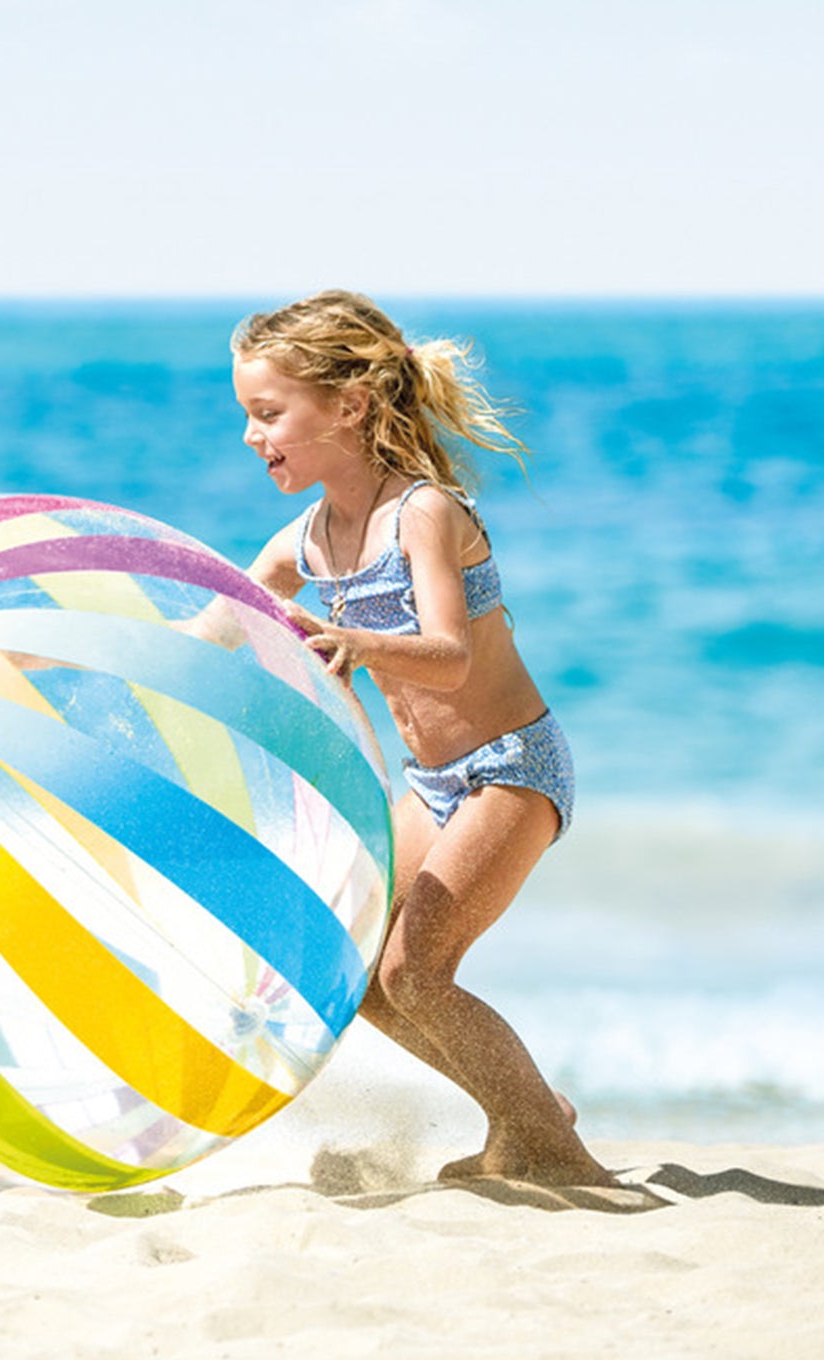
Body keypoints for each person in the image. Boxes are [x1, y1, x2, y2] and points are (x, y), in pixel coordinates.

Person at [230, 288, 609, 1186]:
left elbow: (448, 656)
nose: (252, 436)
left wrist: (356, 643)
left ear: (349, 405)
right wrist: (74, 663)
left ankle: (556, 1152)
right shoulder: (308, 540)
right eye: (248, 416)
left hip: (511, 770)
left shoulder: (424, 513)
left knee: (416, 972)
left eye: (269, 413)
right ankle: (527, 1114)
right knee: (362, 978)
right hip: (433, 785)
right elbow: (220, 622)